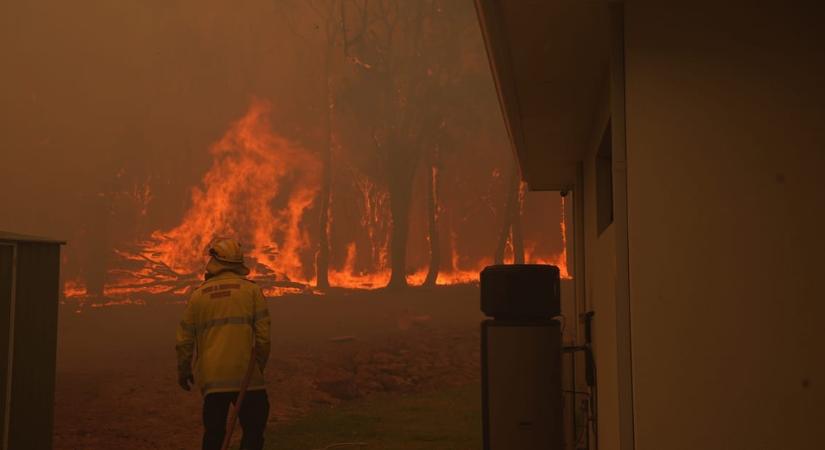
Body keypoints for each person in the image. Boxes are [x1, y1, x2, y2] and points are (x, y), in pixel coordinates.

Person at [176, 238, 271, 450]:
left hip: (212, 378)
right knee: (254, 430)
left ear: (214, 262)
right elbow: (264, 338)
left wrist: (184, 370)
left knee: (214, 434)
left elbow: (184, 341)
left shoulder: (198, 296)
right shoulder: (251, 291)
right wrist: (258, 367)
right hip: (246, 375)